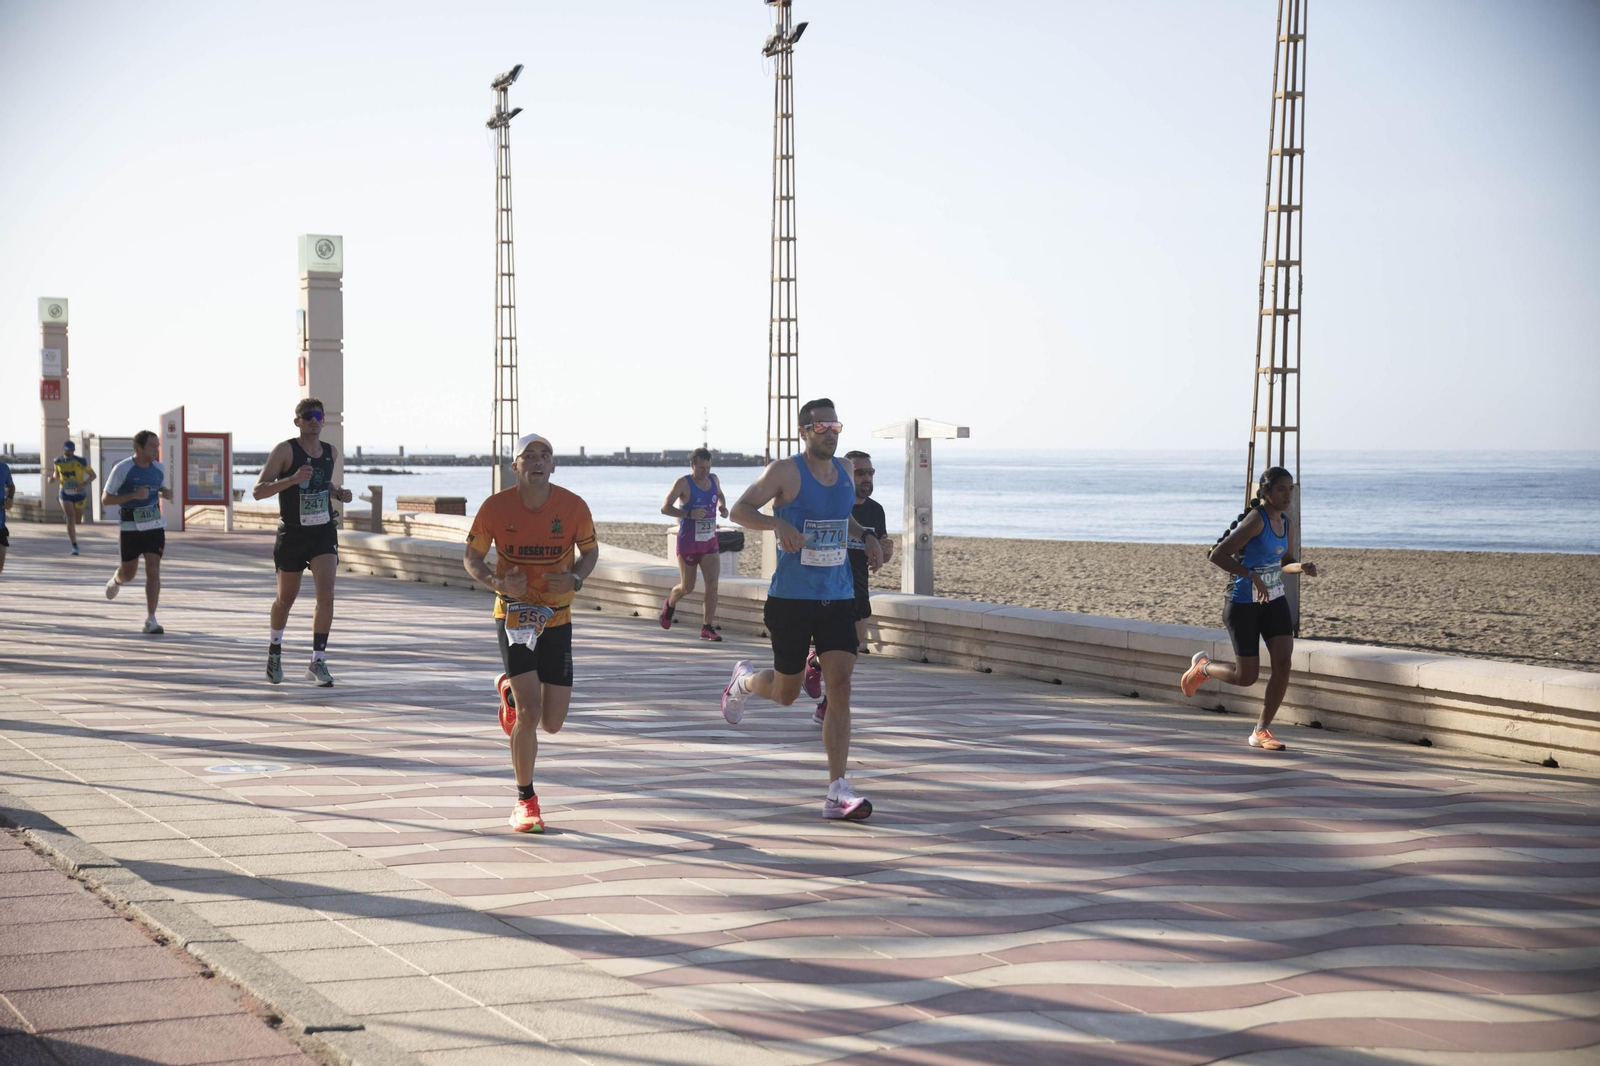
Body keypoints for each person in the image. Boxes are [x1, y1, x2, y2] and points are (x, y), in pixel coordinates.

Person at [719, 398, 884, 821]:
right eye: (821, 426)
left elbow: (843, 517)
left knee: (841, 687)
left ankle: (836, 790)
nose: (830, 432)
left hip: (838, 595)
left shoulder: (845, 471)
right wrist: (778, 523)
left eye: (835, 425)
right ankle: (743, 681)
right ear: (804, 431)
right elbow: (740, 509)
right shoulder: (785, 472)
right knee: (787, 693)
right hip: (792, 598)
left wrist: (865, 534)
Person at [464, 432, 599, 834]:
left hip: (556, 618)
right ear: (515, 466)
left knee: (553, 723)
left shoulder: (573, 507)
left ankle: (508, 688)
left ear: (553, 465)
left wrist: (575, 578)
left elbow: (590, 553)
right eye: (529, 455)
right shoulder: (495, 507)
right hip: (514, 617)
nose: (538, 461)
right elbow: (472, 556)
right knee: (530, 713)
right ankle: (526, 801)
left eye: (546, 455)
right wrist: (496, 582)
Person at [1180, 466, 1319, 751]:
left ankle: (1261, 730)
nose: (1287, 494)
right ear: (1266, 492)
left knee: (1283, 663)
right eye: (1282, 489)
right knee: (1247, 677)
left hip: (1274, 600)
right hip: (1243, 603)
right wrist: (1251, 574)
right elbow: (1218, 555)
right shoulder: (1257, 521)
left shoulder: (1287, 523)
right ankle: (1203, 667)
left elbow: (1285, 562)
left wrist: (1300, 567)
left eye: (1291, 489)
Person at [253, 397, 353, 686]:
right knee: (286, 599)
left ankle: (317, 660)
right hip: (293, 534)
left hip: (322, 531)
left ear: (323, 421)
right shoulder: (285, 450)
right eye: (307, 415)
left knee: (327, 593)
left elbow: (322, 485)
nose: (313, 420)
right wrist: (293, 479)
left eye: (318, 415)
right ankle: (274, 651)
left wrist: (338, 493)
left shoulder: (330, 452)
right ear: (297, 421)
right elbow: (259, 491)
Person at [811, 450, 895, 724]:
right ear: (847, 475)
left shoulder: (876, 510)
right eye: (860, 472)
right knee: (837, 649)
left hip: (859, 587)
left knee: (854, 649)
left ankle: (820, 683)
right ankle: (819, 678)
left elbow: (880, 553)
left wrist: (885, 552)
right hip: (830, 586)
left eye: (870, 473)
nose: (867, 478)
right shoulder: (835, 505)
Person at [101, 431, 173, 634]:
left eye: (157, 445)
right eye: (152, 446)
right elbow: (106, 499)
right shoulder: (123, 469)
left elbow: (157, 487)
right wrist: (133, 495)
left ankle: (151, 619)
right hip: (130, 526)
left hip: (154, 525)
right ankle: (117, 579)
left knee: (153, 568)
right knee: (129, 573)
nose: (156, 450)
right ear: (139, 448)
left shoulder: (158, 468)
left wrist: (164, 492)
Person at [658, 447, 730, 641]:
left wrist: (722, 506)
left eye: (707, 467)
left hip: (709, 542)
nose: (704, 472)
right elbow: (665, 508)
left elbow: (720, 495)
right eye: (700, 468)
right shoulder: (683, 483)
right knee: (687, 587)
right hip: (688, 543)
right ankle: (670, 604)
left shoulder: (714, 479)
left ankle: (707, 627)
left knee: (713, 584)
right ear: (692, 465)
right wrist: (688, 514)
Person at [46, 440, 95, 555]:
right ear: (63, 449)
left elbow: (93, 475)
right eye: (68, 450)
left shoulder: (81, 461)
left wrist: (83, 484)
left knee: (77, 521)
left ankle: (70, 515)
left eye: (72, 450)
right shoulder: (58, 461)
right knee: (70, 517)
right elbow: (56, 475)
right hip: (64, 492)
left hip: (79, 493)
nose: (70, 452)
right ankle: (74, 545)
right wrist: (51, 479)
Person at [0, 457, 14, 573]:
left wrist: (10, 498)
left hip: (0, 520)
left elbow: (11, 486)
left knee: (1, 555)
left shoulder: (3, 468)